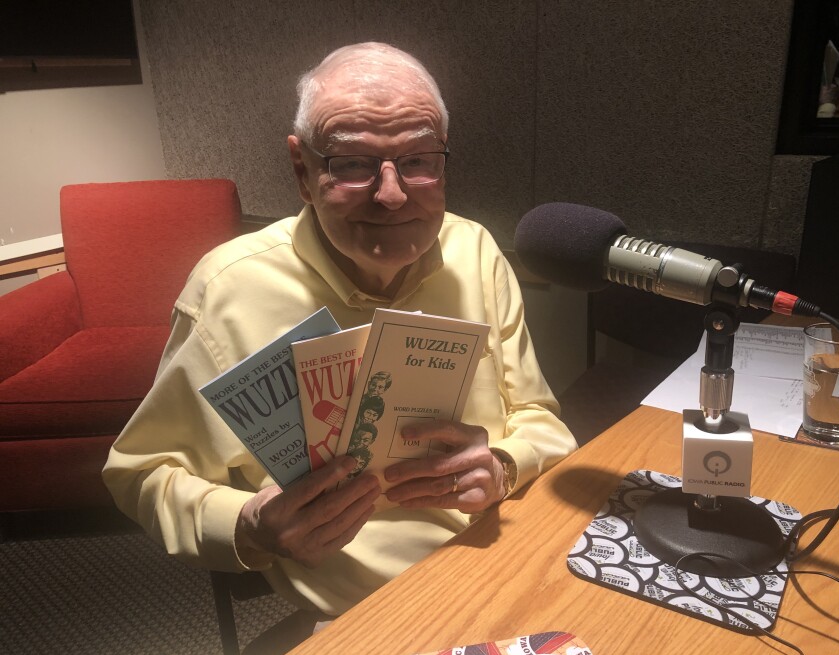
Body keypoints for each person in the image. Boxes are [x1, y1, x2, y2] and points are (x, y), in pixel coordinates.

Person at [103, 41, 576, 624]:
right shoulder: (228, 289)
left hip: (522, 558)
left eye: (419, 160)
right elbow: (142, 472)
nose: (392, 193)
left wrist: (504, 463)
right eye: (352, 164)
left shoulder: (476, 251)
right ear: (303, 171)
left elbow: (541, 418)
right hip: (374, 615)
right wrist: (249, 524)